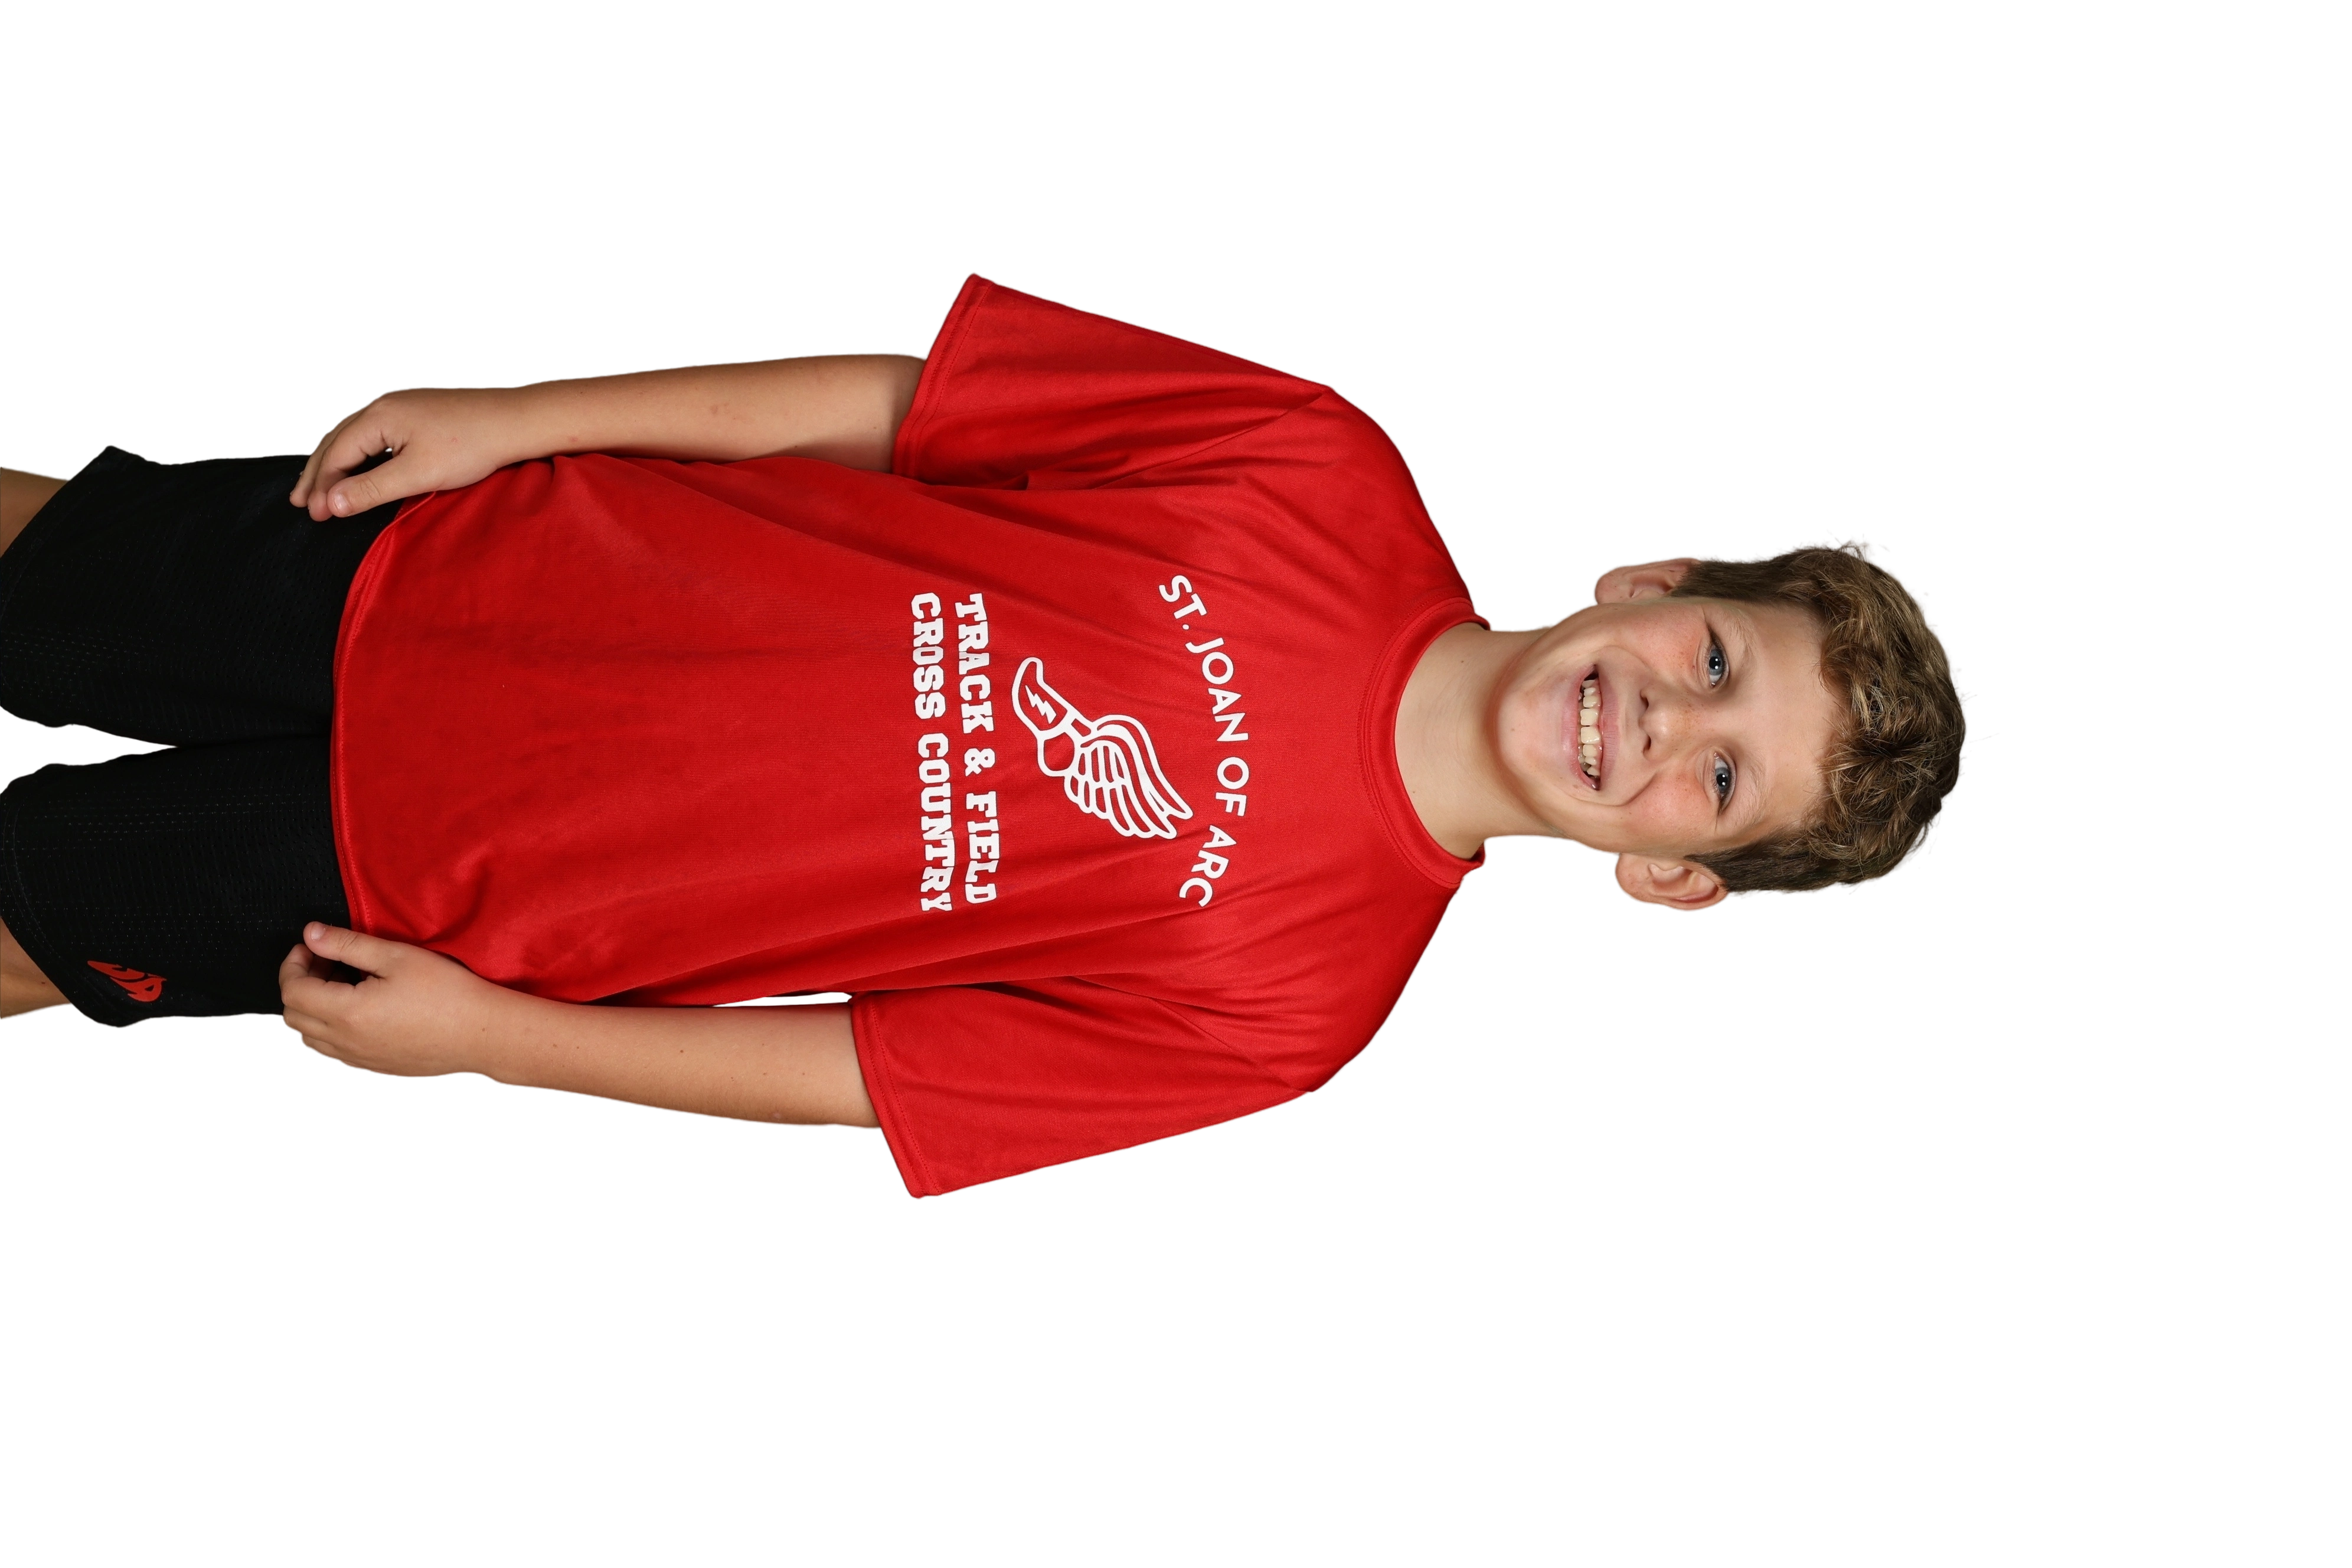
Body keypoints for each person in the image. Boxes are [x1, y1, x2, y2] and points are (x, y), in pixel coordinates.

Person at [0, 272, 1971, 1198]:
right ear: (1650, 583)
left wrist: (496, 1044)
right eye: (1717, 656)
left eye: (1723, 778)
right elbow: (900, 404)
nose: (1664, 722)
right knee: (41, 562)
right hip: (466, 565)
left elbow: (869, 1078)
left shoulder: (1302, 1011)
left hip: (445, 900)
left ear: (1670, 874)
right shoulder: (1318, 463)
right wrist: (525, 414)